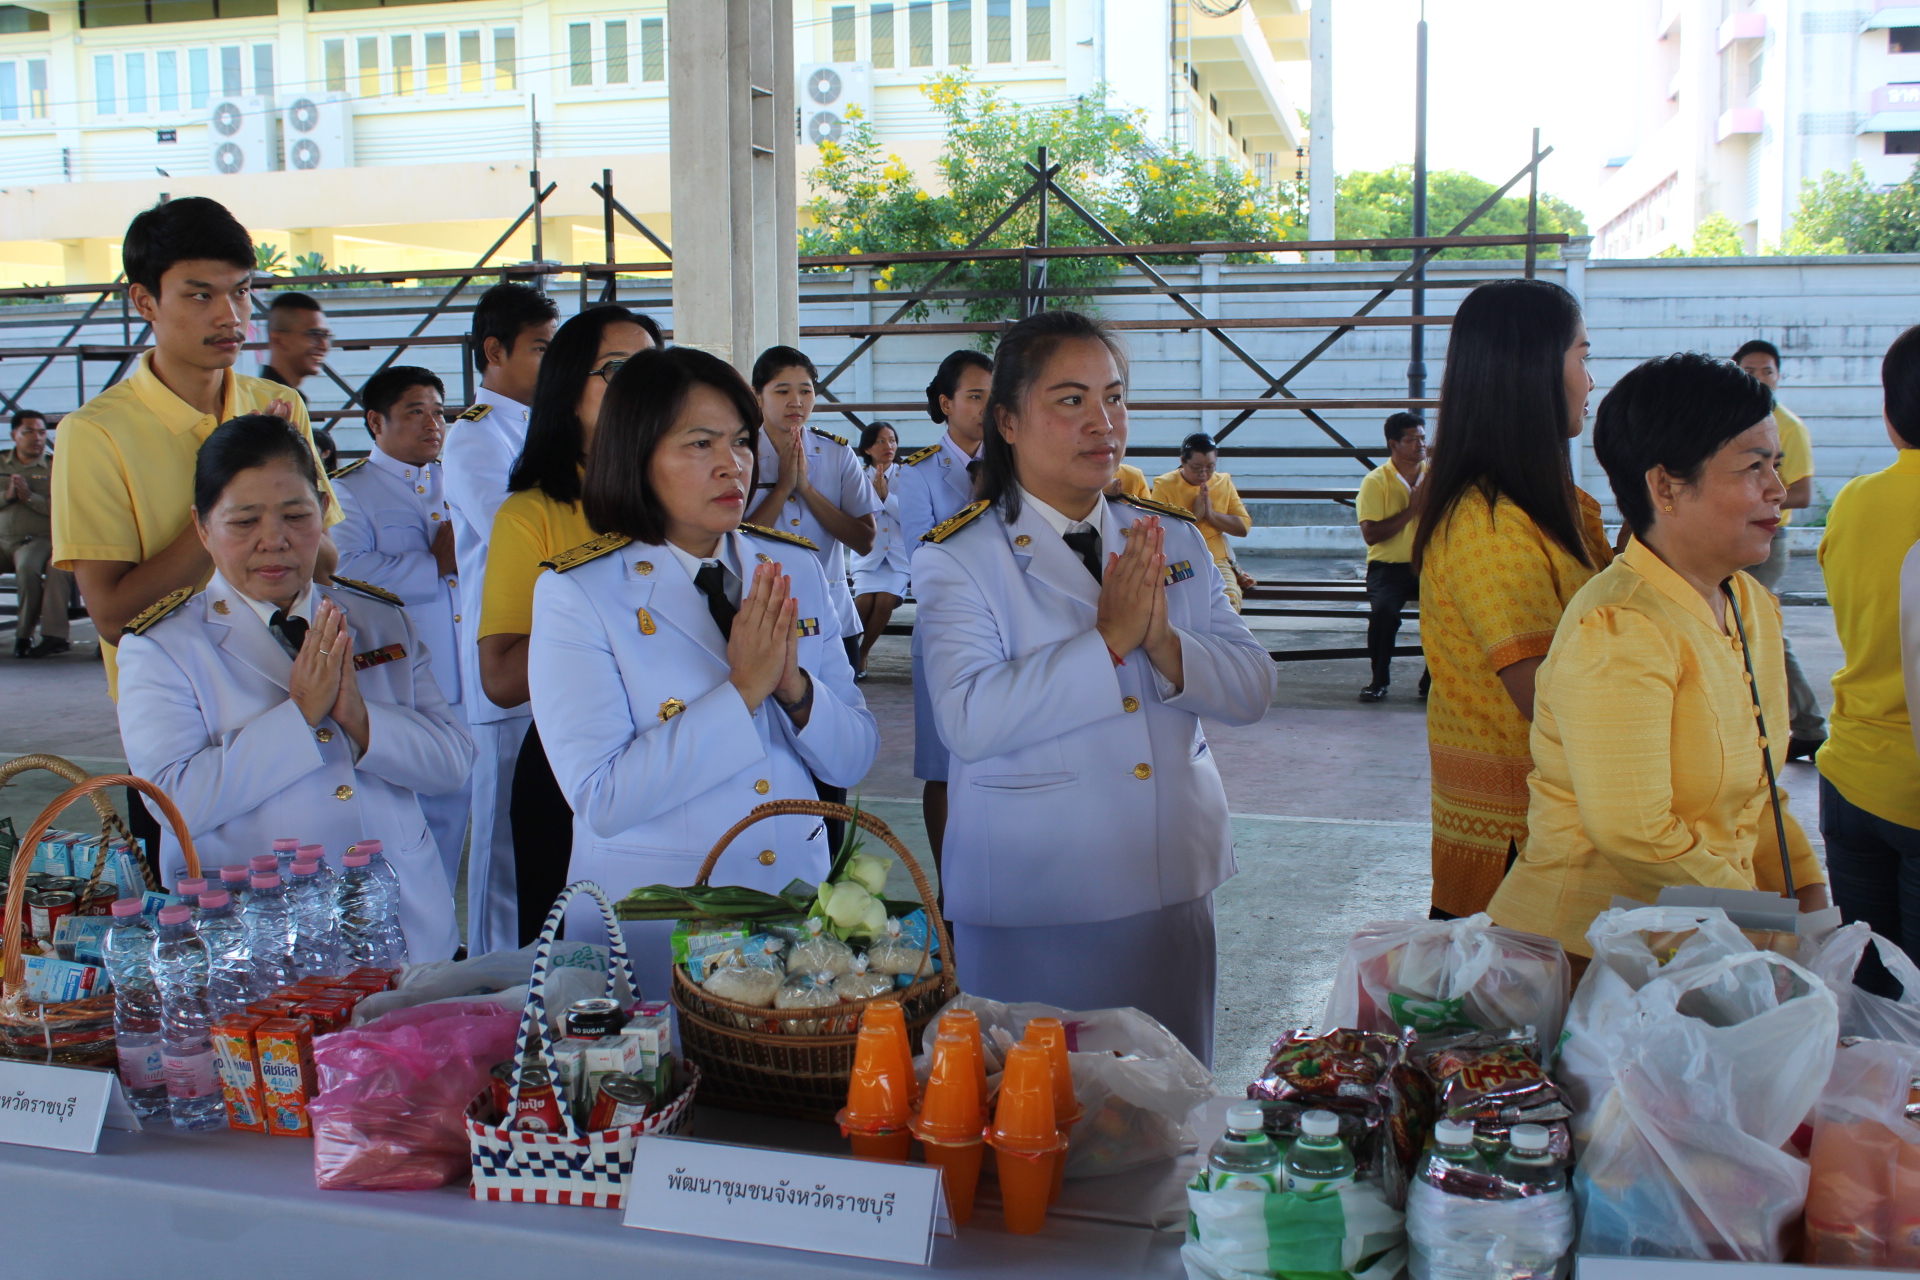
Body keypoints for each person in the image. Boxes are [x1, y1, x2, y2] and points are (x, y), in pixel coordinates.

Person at [912, 311, 1276, 1065]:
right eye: (1070, 400)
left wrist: (1165, 643)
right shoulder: (963, 559)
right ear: (1006, 422)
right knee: (1038, 1128)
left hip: (1172, 882)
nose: (1102, 422)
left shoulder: (1168, 537)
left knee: (1171, 1119)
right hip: (1038, 895)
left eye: (1114, 397)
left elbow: (1251, 688)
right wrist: (1107, 642)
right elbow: (970, 721)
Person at [526, 346, 878, 1002]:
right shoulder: (582, 591)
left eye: (742, 442)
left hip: (795, 909)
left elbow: (853, 758)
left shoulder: (789, 566)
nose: (732, 464)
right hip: (665, 922)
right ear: (637, 453)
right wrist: (743, 690)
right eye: (699, 443)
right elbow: (602, 798)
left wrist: (793, 691)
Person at [1488, 353, 1829, 962]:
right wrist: (1773, 933)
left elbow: (1760, 795)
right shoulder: (1620, 627)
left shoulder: (1748, 603)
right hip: (1588, 964)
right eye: (1754, 467)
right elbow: (1637, 834)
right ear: (1666, 486)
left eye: (1776, 465)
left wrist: (1811, 906)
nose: (1778, 491)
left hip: (1707, 950)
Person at [116, 414, 473, 961]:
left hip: (408, 926)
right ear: (202, 528)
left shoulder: (380, 621)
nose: (274, 541)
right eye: (244, 522)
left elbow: (452, 764)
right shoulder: (165, 646)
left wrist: (360, 718)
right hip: (260, 946)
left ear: (324, 514)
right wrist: (301, 715)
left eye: (296, 515)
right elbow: (175, 804)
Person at [52, 196, 338, 704]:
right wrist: (232, 492)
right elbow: (116, 618)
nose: (231, 316)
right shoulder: (95, 433)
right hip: (184, 717)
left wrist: (292, 507)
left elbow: (324, 566)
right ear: (144, 302)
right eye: (200, 296)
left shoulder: (276, 404)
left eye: (242, 291)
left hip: (296, 695)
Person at [1414, 279, 1613, 920]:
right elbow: (1550, 698)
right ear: (1532, 373)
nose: (1590, 380)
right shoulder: (1488, 521)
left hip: (1556, 833)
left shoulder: (1554, 508)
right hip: (1516, 845)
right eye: (1581, 358)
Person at [480, 306, 659, 945]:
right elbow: (500, 674)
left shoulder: (680, 499)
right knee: (576, 984)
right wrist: (604, 643)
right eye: (618, 371)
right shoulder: (532, 513)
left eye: (651, 370)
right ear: (567, 388)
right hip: (572, 765)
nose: (641, 387)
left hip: (681, 756)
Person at [440, 281, 559, 954]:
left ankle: (538, 964)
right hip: (503, 652)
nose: (553, 362)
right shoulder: (475, 437)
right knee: (498, 841)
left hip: (555, 650)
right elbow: (520, 534)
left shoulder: (547, 429)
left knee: (542, 827)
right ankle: (489, 969)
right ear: (495, 352)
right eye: (541, 348)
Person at [330, 366, 469, 894]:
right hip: (407, 683)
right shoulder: (352, 491)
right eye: (416, 411)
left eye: (439, 412)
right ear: (375, 421)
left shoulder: (459, 481)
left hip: (472, 678)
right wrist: (433, 563)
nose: (433, 423)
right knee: (411, 821)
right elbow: (344, 573)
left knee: (467, 818)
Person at [1816, 324, 1920, 996]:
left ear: (1889, 417)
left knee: (1874, 997)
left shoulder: (1853, 502)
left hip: (1849, 772)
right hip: (1914, 786)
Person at [895, 348, 992, 866]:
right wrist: (980, 499)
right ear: (946, 403)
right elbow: (921, 557)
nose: (985, 407)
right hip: (944, 633)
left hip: (1008, 631)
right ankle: (950, 887)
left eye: (993, 397)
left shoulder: (1019, 464)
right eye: (974, 396)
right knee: (944, 767)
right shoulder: (918, 474)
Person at [746, 347, 879, 675]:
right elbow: (733, 541)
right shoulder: (739, 453)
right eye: (782, 391)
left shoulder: (837, 454)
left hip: (831, 616)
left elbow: (865, 540)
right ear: (757, 396)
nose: (797, 401)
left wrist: (805, 488)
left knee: (842, 717)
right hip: (759, 617)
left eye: (806, 391)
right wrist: (781, 489)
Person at [1733, 339, 1826, 760]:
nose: (1758, 379)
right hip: (1733, 536)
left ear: (1779, 375)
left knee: (1760, 631)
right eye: (1748, 372)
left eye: (1766, 371)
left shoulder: (1786, 426)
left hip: (1768, 540)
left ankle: (1806, 723)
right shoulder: (1729, 421)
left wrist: (1751, 496)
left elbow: (1803, 493)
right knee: (1742, 630)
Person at [1354, 412, 1428, 702]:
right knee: (1384, 613)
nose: (1421, 444)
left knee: (1448, 614)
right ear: (1393, 444)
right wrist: (1413, 509)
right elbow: (1371, 535)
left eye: (1423, 437)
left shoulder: (1436, 476)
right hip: (1388, 567)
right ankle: (1379, 680)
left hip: (1430, 565)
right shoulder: (1376, 481)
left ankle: (1432, 680)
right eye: (1413, 439)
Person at [1152, 432, 1252, 612]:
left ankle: (1218, 640)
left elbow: (1243, 527)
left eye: (1210, 467)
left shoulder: (1223, 482)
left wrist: (1211, 515)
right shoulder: (1164, 485)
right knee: (1174, 600)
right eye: (1197, 468)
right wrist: (1194, 517)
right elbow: (1161, 532)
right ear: (1183, 461)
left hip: (1216, 557)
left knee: (1228, 598)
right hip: (1179, 557)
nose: (1204, 474)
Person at [1, 410, 72, 658]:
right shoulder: (1, 463)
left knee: (28, 568)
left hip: (36, 540)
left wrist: (31, 498)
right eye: (28, 431)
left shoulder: (56, 466)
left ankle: (23, 635)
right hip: (2, 539)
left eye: (42, 432)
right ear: (14, 435)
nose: (37, 437)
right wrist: (7, 496)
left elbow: (64, 507)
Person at [850, 421, 909, 678]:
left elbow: (912, 516)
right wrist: (874, 499)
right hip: (869, 554)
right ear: (868, 448)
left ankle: (863, 653)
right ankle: (847, 651)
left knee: (885, 598)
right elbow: (852, 513)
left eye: (892, 440)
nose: (889, 446)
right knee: (863, 601)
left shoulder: (907, 474)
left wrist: (886, 498)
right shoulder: (856, 476)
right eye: (881, 441)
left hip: (898, 555)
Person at [258, 291, 331, 402]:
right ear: (279, 339)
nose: (323, 345)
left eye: (325, 335)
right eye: (313, 334)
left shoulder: (290, 397)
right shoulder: (266, 403)